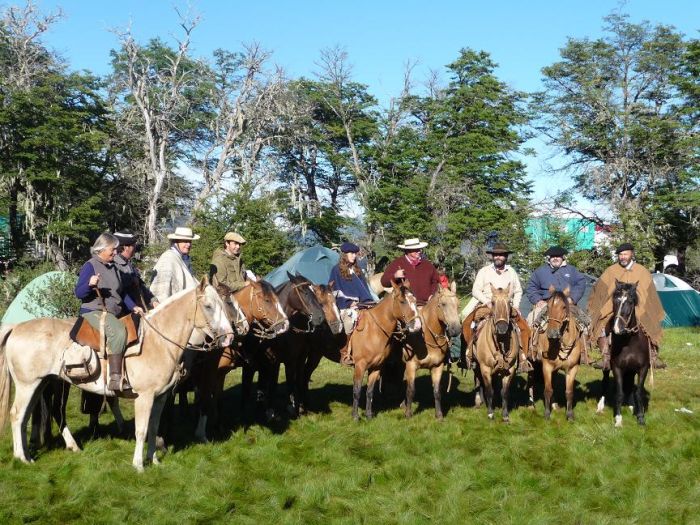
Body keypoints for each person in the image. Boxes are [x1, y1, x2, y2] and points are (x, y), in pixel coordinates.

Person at [74, 233, 143, 392]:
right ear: (102, 249)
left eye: (116, 250)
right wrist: (90, 285)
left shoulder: (114, 267)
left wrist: (133, 307)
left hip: (114, 312)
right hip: (93, 310)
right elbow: (79, 293)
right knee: (118, 332)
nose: (115, 253)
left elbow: (121, 293)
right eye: (112, 250)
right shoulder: (90, 265)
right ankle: (115, 379)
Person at [588, 242, 666, 370]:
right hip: (615, 306)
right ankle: (605, 357)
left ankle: (652, 356)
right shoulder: (611, 270)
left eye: (625, 254)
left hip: (638, 308)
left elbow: (648, 294)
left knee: (649, 322)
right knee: (601, 323)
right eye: (620, 255)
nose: (622, 257)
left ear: (632, 254)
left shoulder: (642, 271)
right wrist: (600, 306)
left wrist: (641, 307)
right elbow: (600, 288)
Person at [461, 243, 530, 373]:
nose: (498, 257)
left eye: (502, 255)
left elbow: (518, 291)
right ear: (492, 256)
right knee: (467, 324)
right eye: (496, 254)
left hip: (507, 306)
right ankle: (469, 354)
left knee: (525, 328)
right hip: (487, 305)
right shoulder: (484, 271)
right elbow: (476, 290)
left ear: (506, 257)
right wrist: (486, 301)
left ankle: (523, 358)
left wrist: (515, 305)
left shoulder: (512, 272)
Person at [329, 242, 375, 364]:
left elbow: (364, 289)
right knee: (349, 322)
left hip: (362, 304)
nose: (354, 256)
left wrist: (368, 301)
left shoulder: (357, 270)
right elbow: (335, 291)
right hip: (345, 306)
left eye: (355, 253)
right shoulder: (336, 270)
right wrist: (348, 303)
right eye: (351, 253)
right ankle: (346, 352)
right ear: (344, 254)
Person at [526, 245, 589, 329]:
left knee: (586, 324)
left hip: (567, 304)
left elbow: (580, 283)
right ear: (549, 258)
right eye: (552, 256)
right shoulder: (540, 271)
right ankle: (531, 342)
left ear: (563, 257)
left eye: (558, 256)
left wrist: (573, 298)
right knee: (530, 322)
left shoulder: (571, 270)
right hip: (546, 305)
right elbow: (531, 287)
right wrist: (538, 300)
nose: (555, 258)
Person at [380, 238, 439, 305]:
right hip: (406, 307)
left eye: (419, 249)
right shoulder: (396, 263)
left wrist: (432, 295)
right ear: (408, 251)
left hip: (427, 305)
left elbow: (435, 281)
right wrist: (395, 276)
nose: (419, 251)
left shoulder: (428, 265)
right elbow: (383, 282)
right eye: (415, 250)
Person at [150, 226, 199, 303]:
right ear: (176, 241)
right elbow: (162, 291)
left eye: (190, 241)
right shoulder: (168, 258)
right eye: (185, 241)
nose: (188, 244)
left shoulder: (184, 259)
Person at [113, 229, 159, 311]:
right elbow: (120, 292)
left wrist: (153, 301)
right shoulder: (114, 266)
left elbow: (141, 286)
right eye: (133, 245)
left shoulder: (128, 264)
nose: (135, 248)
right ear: (125, 247)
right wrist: (133, 306)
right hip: (125, 312)